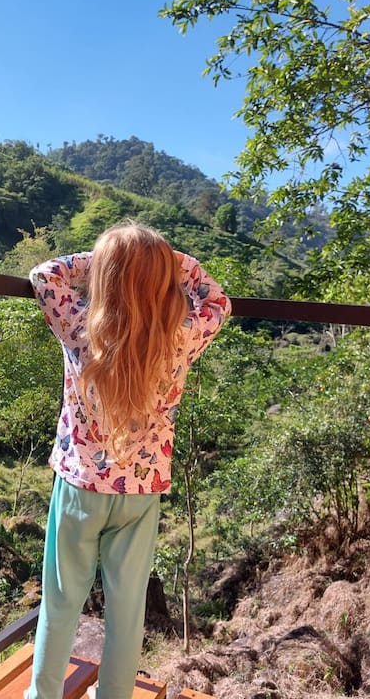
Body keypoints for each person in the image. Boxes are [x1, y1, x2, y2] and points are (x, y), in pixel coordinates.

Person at [26, 222, 231, 699]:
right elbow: (218, 301)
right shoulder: (180, 336)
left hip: (80, 487)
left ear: (105, 276)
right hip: (141, 493)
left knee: (61, 602)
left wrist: (101, 260)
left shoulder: (79, 325)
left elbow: (43, 275)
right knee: (127, 607)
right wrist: (168, 262)